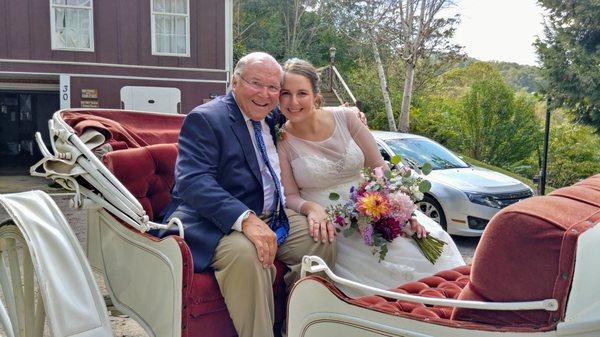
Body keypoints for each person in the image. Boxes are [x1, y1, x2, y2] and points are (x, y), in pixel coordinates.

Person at [161, 52, 335, 337]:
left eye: (272, 87)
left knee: (320, 236)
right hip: (214, 222)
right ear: (235, 81)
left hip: (271, 214)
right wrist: (245, 219)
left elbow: (305, 110)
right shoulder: (206, 119)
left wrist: (348, 113)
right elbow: (192, 181)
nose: (265, 94)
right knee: (249, 254)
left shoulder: (271, 115)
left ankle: (296, 326)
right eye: (256, 84)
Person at [277, 58, 465, 296]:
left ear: (316, 94)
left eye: (301, 93)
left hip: (374, 205)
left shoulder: (347, 118)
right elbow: (291, 195)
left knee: (430, 242)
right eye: (285, 93)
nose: (293, 102)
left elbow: (379, 168)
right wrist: (311, 208)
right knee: (388, 265)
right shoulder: (282, 139)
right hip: (336, 224)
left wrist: (405, 213)